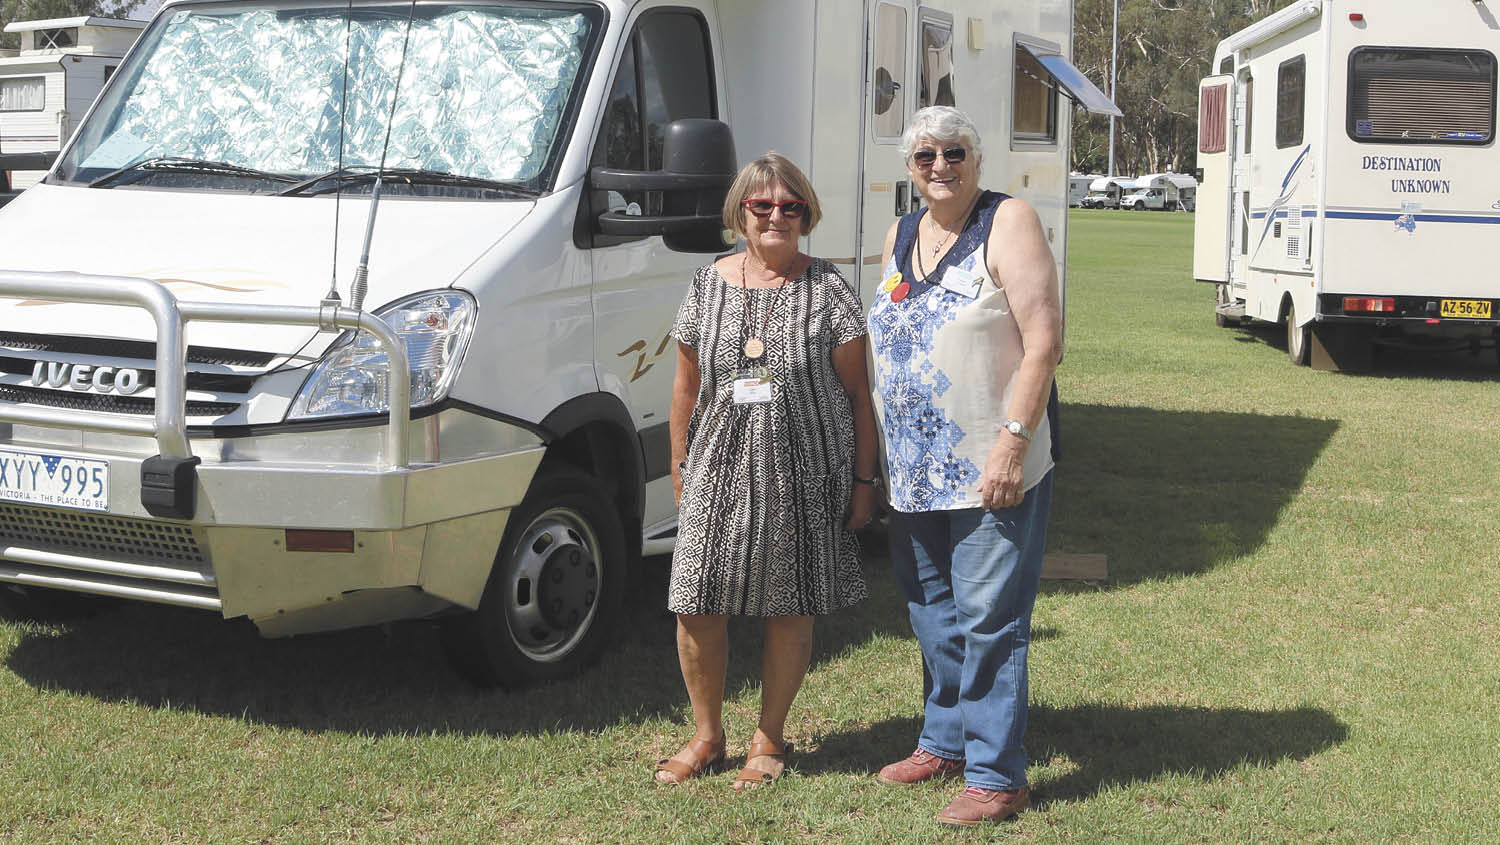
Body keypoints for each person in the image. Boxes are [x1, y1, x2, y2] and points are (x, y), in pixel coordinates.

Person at [654, 152, 881, 789]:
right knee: (696, 601)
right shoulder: (707, 284)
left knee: (788, 604)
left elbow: (860, 395)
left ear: (806, 215)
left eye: (790, 206)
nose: (776, 216)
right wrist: (679, 465)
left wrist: (866, 483)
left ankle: (769, 739)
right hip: (717, 466)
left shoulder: (829, 287)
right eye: (762, 206)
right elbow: (684, 389)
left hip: (802, 470)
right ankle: (707, 736)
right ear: (741, 214)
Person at [866, 106, 1062, 826]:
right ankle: (943, 741)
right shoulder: (901, 232)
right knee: (933, 614)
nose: (940, 165)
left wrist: (1013, 438)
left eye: (954, 152)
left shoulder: (1007, 221)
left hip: (991, 463)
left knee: (989, 619)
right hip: (914, 466)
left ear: (977, 159)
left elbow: (1044, 338)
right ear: (910, 168)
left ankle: (996, 775)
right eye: (925, 156)